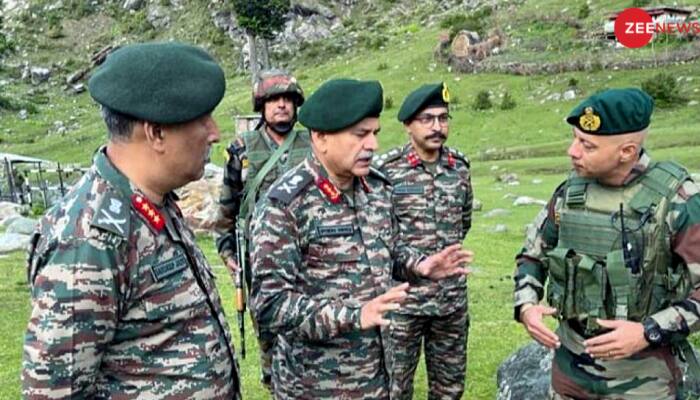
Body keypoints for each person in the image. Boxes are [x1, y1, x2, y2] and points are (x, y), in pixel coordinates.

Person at [22, 42, 240, 399]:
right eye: (202, 118)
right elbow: (53, 392)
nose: (215, 132)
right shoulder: (88, 241)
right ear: (155, 133)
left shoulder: (155, 202)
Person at [249, 78, 474, 399]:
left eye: (374, 134)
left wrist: (420, 266)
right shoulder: (287, 203)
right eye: (360, 135)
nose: (372, 145)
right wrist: (353, 316)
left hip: (379, 376)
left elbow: (388, 252)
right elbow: (270, 306)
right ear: (321, 137)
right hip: (318, 385)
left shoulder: (377, 189)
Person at [514, 88, 700, 400]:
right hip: (570, 371)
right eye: (574, 138)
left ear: (626, 151)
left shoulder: (678, 201)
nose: (572, 151)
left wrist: (648, 331)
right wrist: (526, 306)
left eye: (587, 145)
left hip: (645, 380)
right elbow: (533, 256)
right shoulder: (569, 194)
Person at [374, 82, 473, 400]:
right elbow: (380, 239)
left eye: (443, 118)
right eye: (427, 119)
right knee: (394, 389)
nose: (437, 127)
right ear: (407, 125)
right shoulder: (387, 171)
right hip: (403, 303)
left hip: (450, 302)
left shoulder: (459, 168)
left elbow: (464, 222)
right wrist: (419, 265)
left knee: (449, 389)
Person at [216, 69, 310, 389]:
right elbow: (227, 207)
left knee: (311, 329)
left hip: (311, 258)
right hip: (261, 261)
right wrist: (228, 254)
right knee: (269, 331)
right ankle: (275, 386)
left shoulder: (314, 142)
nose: (282, 105)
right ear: (262, 105)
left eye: (288, 99)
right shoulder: (242, 148)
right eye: (274, 99)